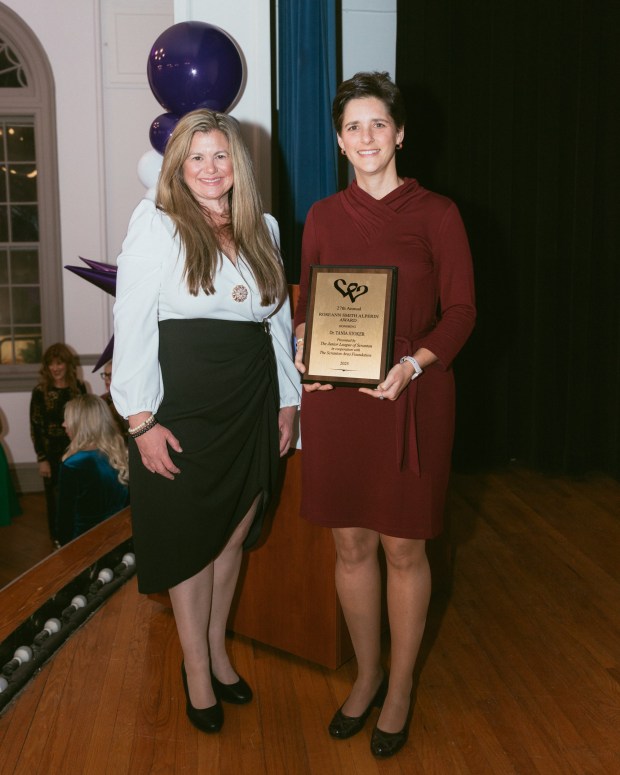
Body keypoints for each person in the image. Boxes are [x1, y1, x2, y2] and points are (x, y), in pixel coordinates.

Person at [294, 72, 476, 759]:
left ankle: (400, 686)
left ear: (400, 133)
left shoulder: (438, 213)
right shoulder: (322, 215)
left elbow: (462, 312)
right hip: (339, 399)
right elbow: (310, 305)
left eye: (378, 124)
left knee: (404, 546)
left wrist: (416, 363)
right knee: (349, 544)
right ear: (339, 141)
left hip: (414, 392)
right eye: (352, 127)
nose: (365, 137)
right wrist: (305, 335)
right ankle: (366, 673)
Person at [111, 109, 300, 734]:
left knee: (230, 535)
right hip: (185, 400)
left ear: (236, 164)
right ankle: (196, 671)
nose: (210, 168)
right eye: (196, 157)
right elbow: (132, 321)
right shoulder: (156, 224)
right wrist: (140, 419)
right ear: (178, 166)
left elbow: (273, 318)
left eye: (220, 156)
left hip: (250, 397)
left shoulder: (262, 225)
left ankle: (218, 652)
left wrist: (287, 398)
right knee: (192, 541)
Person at [29, 343, 87, 545]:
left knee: (78, 493)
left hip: (77, 450)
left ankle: (78, 534)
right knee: (54, 498)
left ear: (67, 364)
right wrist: (41, 459)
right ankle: (58, 538)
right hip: (51, 454)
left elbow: (85, 420)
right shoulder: (40, 392)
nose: (55, 368)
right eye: (51, 364)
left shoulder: (78, 388)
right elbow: (35, 427)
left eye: (59, 363)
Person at [57, 394, 129, 545]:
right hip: (121, 536)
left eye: (68, 419)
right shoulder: (120, 454)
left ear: (81, 424)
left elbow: (65, 517)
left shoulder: (74, 464)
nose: (64, 424)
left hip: (85, 542)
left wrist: (62, 545)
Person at [99, 361, 129, 442]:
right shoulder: (101, 401)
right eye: (105, 375)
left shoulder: (132, 400)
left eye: (111, 375)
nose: (106, 379)